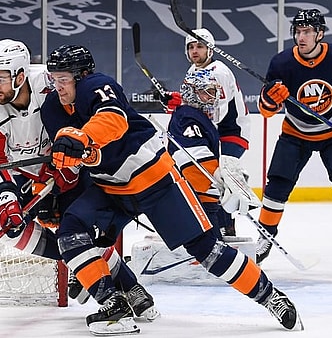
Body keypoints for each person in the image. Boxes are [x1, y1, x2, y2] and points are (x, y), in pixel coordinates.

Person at [40, 44, 301, 334]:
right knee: (71, 230)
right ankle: (114, 305)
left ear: (81, 75)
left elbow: (112, 121)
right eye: (54, 79)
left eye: (63, 79)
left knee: (208, 250)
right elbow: (73, 160)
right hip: (110, 187)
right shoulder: (52, 107)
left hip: (153, 178)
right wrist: (62, 176)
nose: (58, 86)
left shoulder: (98, 85)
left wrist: (83, 137)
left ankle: (271, 297)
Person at [0, 38, 158, 319]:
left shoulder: (49, 85)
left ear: (20, 75)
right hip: (29, 176)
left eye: (0, 78)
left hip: (73, 167)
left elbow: (82, 119)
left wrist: (67, 165)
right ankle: (83, 265)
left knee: (82, 233)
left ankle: (128, 288)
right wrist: (9, 199)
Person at [255, 8, 332, 264]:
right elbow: (266, 112)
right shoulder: (281, 63)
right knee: (277, 186)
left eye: (307, 31)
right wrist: (270, 98)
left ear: (320, 34)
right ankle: (265, 234)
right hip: (295, 132)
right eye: (298, 31)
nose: (301, 37)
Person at [162, 28, 251, 237]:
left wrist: (184, 108)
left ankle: (226, 228)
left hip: (231, 132)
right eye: (191, 47)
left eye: (200, 46)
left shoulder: (219, 71)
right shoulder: (193, 70)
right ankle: (215, 227)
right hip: (212, 133)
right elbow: (196, 101)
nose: (195, 51)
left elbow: (214, 114)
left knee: (217, 177)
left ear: (209, 50)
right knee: (209, 178)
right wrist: (177, 101)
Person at [167, 69, 260, 238]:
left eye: (214, 91)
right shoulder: (187, 117)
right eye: (207, 92)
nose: (213, 97)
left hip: (198, 195)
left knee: (214, 240)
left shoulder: (199, 116)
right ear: (192, 93)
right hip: (189, 196)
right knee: (209, 245)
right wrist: (223, 180)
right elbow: (194, 158)